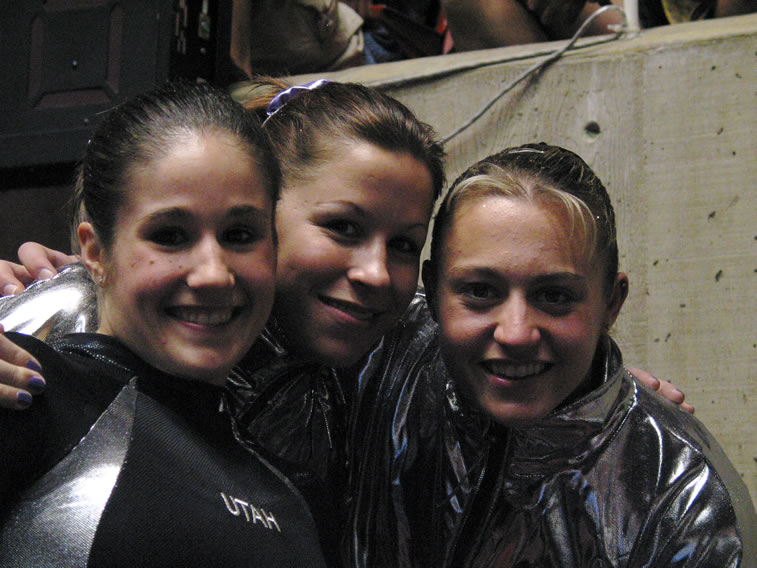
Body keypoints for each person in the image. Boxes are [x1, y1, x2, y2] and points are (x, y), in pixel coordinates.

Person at [0, 81, 690, 566]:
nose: (375, 273)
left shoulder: (375, 364)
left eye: (402, 245)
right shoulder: (68, 321)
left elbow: (493, 338)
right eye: (342, 227)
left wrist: (594, 388)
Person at [0, 81, 333, 566]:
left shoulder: (297, 496)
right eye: (171, 235)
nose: (214, 274)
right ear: (95, 251)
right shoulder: (26, 390)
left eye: (240, 235)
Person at [417, 143, 756, 565]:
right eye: (480, 291)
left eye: (554, 296)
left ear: (611, 303)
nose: (516, 333)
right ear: (431, 291)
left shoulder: (684, 500)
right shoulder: (380, 357)